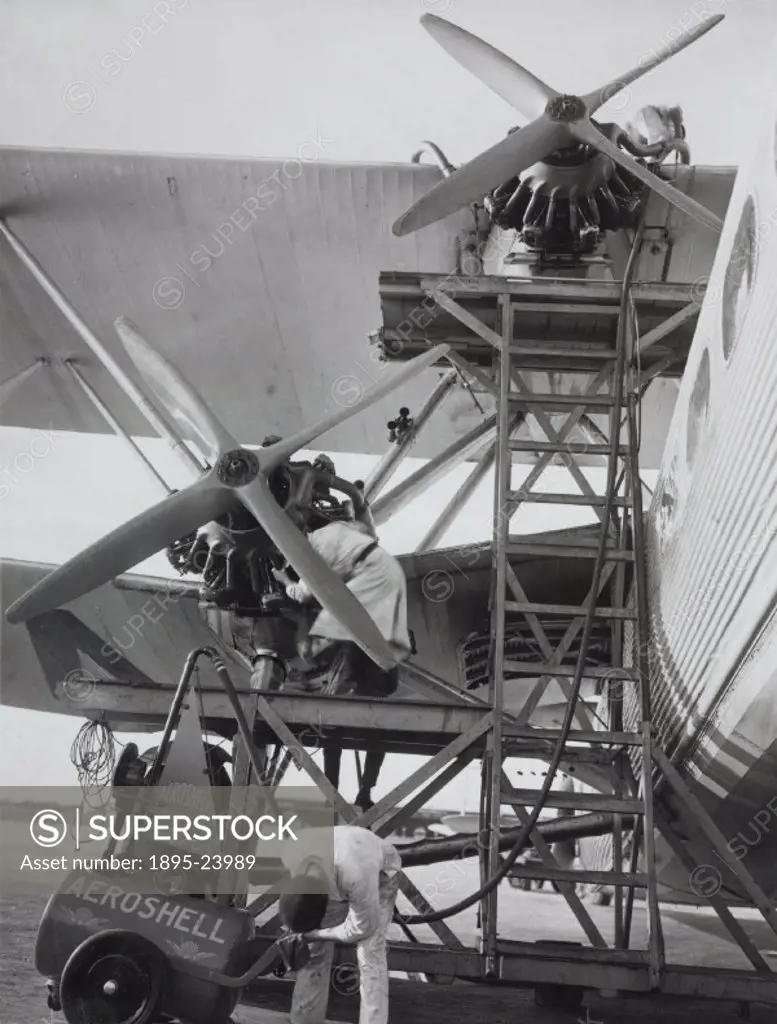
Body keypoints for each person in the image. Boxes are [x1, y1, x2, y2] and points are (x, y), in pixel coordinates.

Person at [273, 502, 412, 810]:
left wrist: (282, 579)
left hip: (365, 599)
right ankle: (363, 791)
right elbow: (367, 522)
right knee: (374, 716)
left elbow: (303, 593)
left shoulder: (317, 544)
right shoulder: (348, 532)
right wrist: (359, 499)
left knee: (335, 719)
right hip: (384, 587)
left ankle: (333, 791)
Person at [279, 824, 401, 1024]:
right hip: (336, 866)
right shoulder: (291, 853)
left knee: (369, 952)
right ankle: (304, 1020)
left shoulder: (356, 875)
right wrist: (302, 935)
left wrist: (318, 934)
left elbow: (361, 929)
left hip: (380, 872)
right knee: (313, 951)